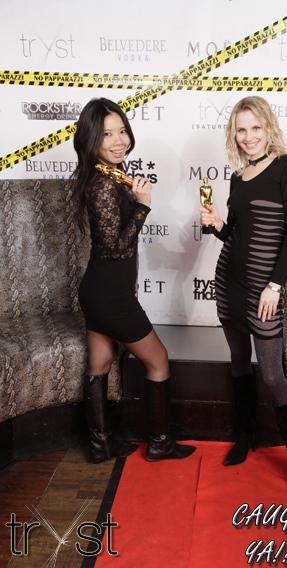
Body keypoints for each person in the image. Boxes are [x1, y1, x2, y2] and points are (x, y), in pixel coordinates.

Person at [199, 96, 287, 503]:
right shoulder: (237, 177)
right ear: (234, 134)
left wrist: (275, 286)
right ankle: (247, 435)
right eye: (241, 129)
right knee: (237, 359)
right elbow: (235, 235)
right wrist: (217, 225)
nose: (248, 136)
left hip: (264, 289)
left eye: (255, 127)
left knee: (271, 374)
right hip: (228, 281)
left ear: (268, 128)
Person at [71, 97, 195, 465]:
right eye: (107, 134)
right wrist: (142, 205)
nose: (118, 140)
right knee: (158, 361)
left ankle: (101, 445)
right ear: (91, 139)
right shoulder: (103, 185)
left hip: (98, 291)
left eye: (122, 130)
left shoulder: (107, 175)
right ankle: (161, 443)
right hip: (111, 297)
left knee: (100, 364)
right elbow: (115, 248)